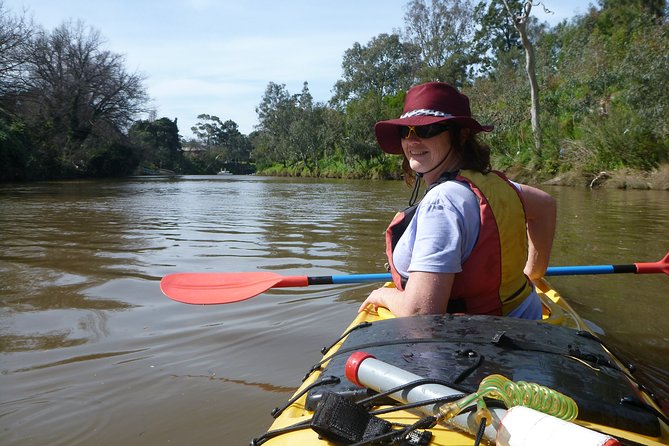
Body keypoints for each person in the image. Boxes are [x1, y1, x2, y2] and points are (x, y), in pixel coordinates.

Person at [359, 82, 557, 319]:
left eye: (427, 130)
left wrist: (382, 295)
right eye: (406, 131)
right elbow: (546, 205)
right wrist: (534, 272)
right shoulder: (496, 185)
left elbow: (421, 313)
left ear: (461, 135)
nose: (412, 141)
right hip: (527, 317)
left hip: (477, 343)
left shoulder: (442, 202)